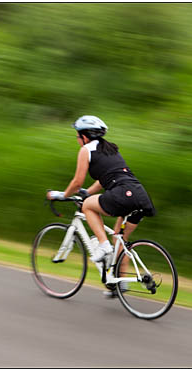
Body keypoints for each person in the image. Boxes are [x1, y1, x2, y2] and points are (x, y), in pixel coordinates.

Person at [47, 115, 156, 296]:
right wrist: (87, 193)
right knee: (119, 239)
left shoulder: (86, 151)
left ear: (85, 136)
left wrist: (62, 195)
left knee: (87, 207)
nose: (77, 139)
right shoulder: (110, 149)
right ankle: (119, 285)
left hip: (121, 194)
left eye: (77, 135)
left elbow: (76, 182)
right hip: (139, 196)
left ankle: (103, 246)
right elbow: (103, 179)